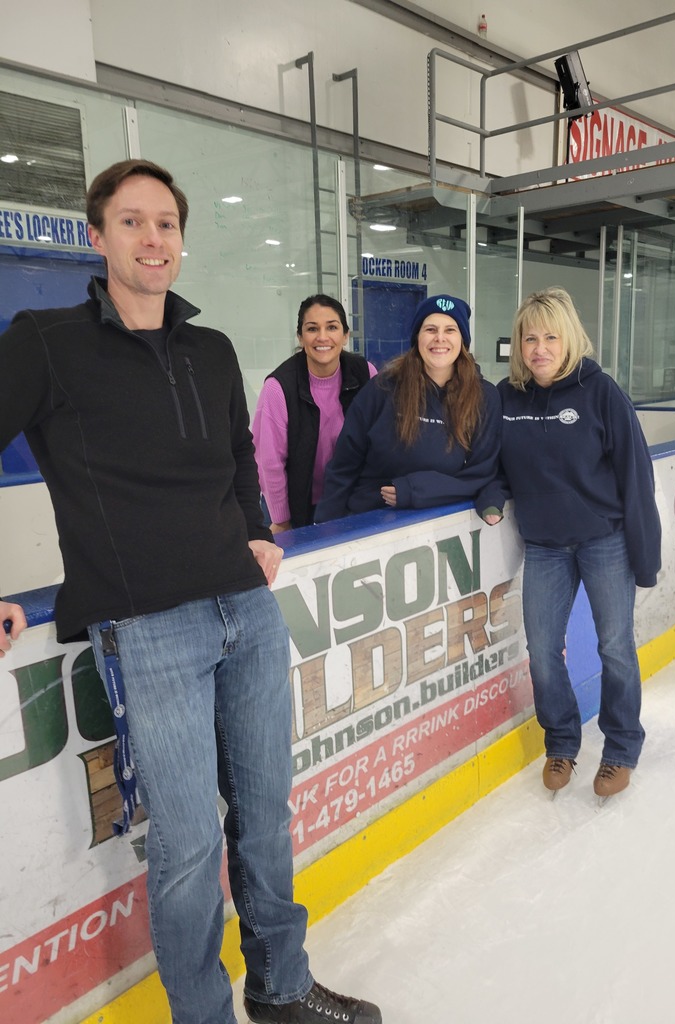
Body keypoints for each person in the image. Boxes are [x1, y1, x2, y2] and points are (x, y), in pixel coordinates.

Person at [0, 159, 381, 1024]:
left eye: (166, 223)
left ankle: (282, 988)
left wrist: (254, 528)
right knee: (186, 845)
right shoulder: (44, 341)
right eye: (131, 222)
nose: (152, 239)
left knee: (267, 817)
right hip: (144, 627)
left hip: (244, 608)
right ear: (96, 238)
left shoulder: (210, 350)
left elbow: (240, 456)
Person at [478, 287, 661, 800]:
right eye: (530, 338)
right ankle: (561, 740)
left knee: (615, 649)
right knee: (541, 650)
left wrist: (645, 558)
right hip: (545, 547)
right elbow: (489, 467)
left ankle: (621, 747)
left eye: (550, 337)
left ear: (569, 339)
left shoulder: (601, 392)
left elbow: (636, 477)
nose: (539, 348)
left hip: (604, 541)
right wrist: (491, 497)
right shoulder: (506, 397)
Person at [314, 293, 500, 521]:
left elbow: (480, 474)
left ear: (462, 340)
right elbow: (344, 464)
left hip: (442, 524)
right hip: (370, 519)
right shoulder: (383, 388)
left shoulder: (484, 397)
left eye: (450, 330)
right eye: (430, 329)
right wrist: (325, 526)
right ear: (417, 338)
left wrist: (416, 490)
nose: (439, 338)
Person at [252, 295, 375, 531]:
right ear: (300, 337)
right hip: (293, 505)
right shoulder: (278, 387)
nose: (322, 337)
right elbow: (269, 462)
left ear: (345, 335)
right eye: (312, 328)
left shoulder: (366, 373)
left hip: (348, 500)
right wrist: (282, 520)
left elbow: (383, 438)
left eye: (332, 327)